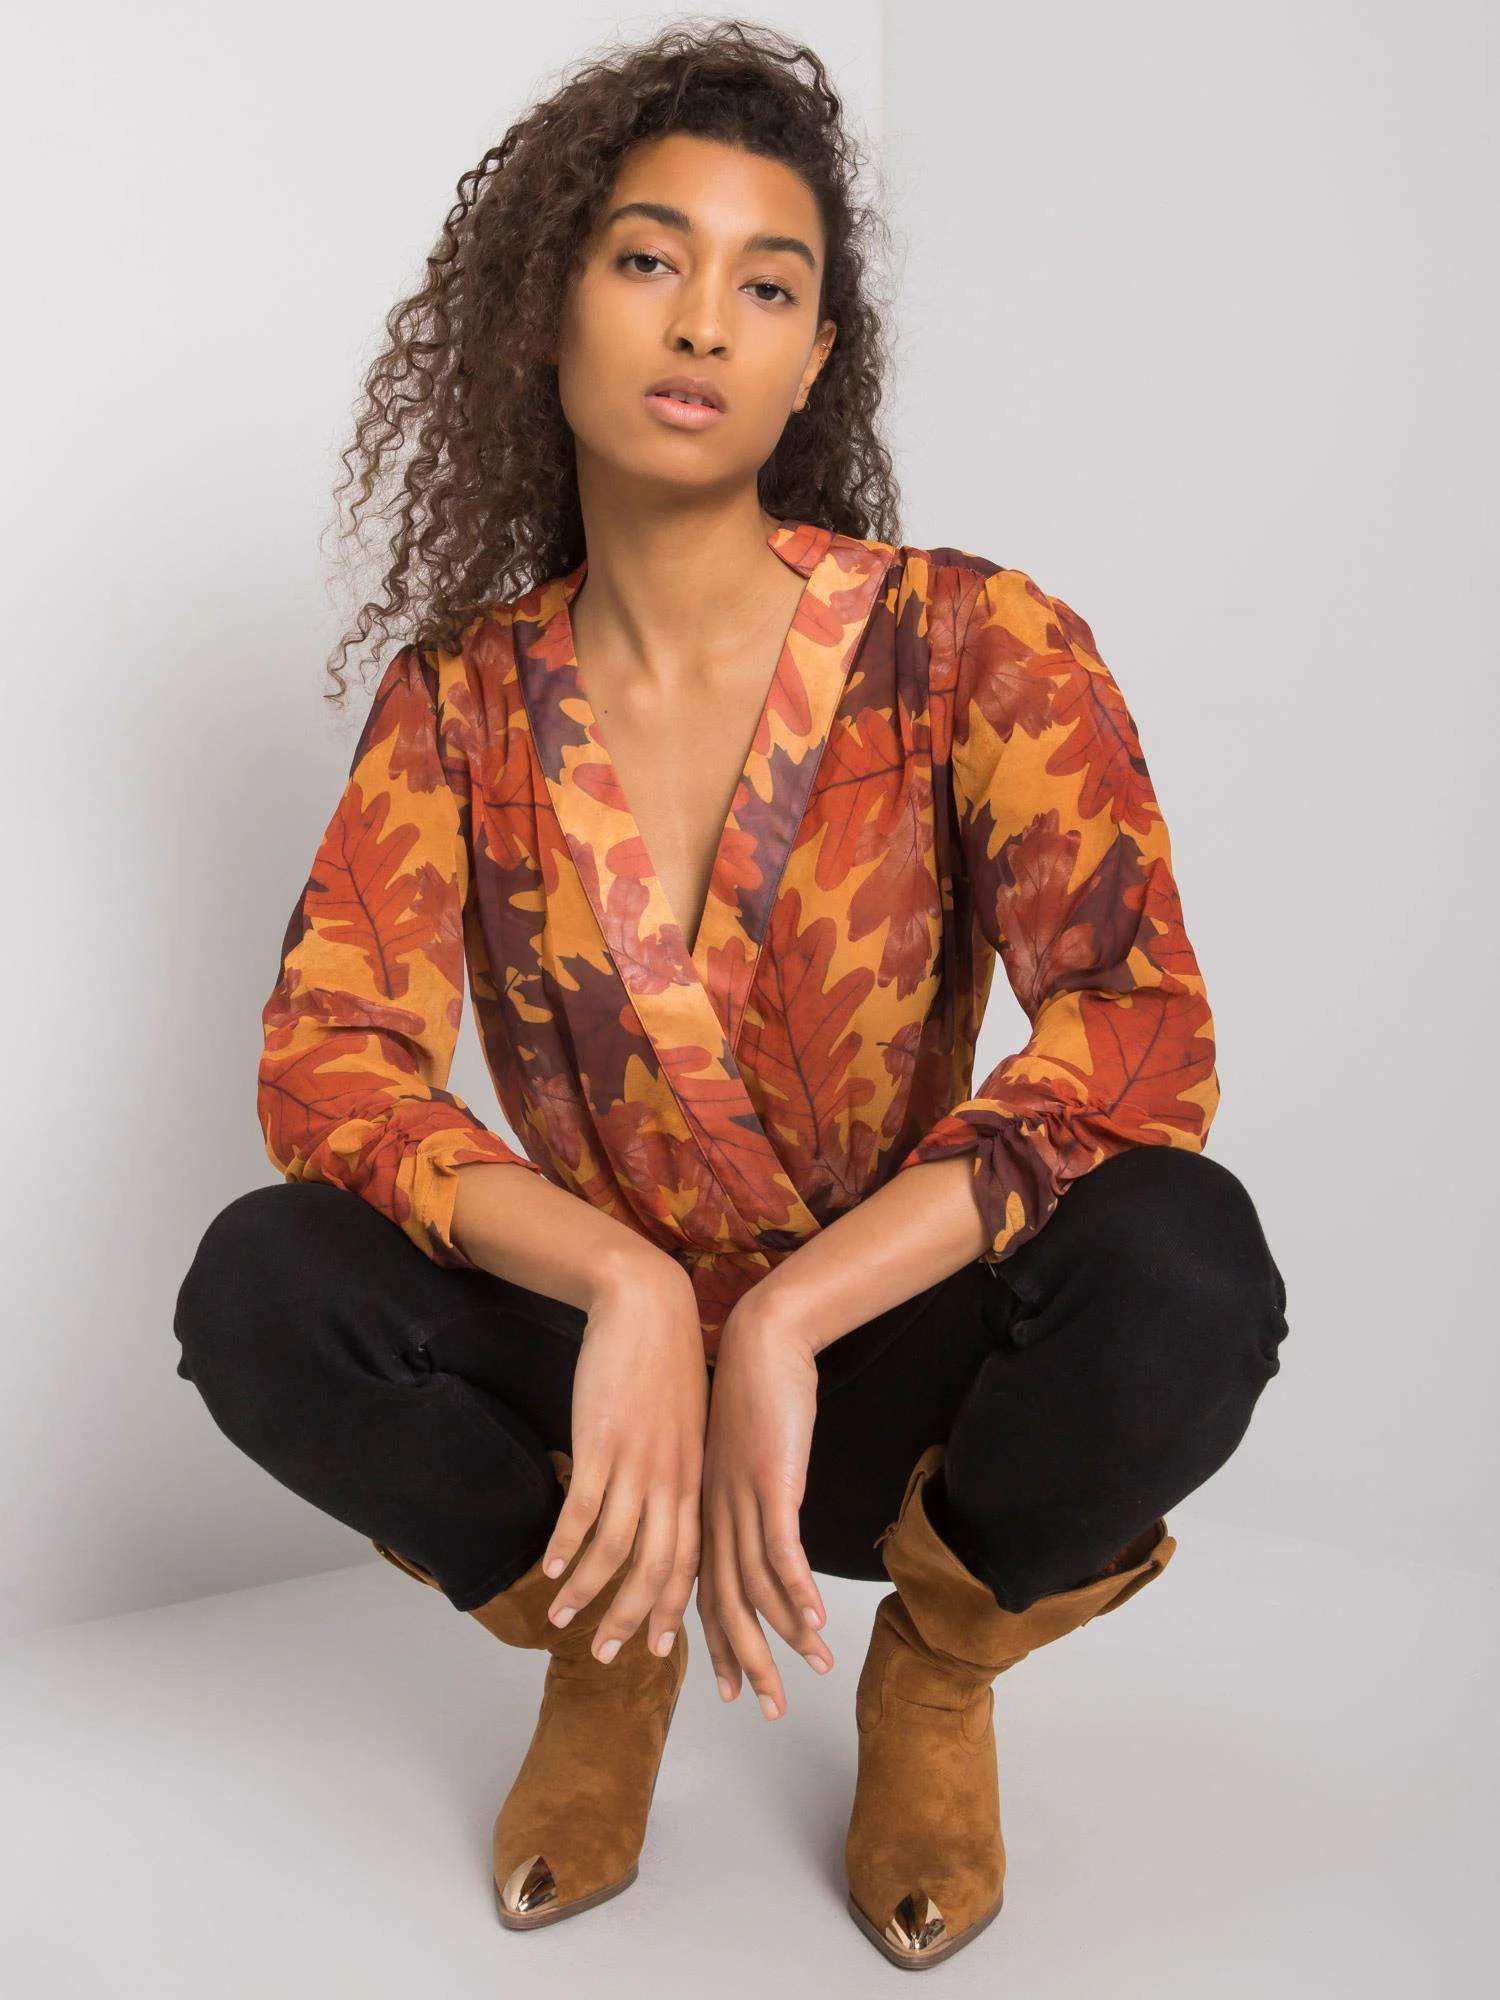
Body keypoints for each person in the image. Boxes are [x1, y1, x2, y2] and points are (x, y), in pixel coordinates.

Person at [172, 17, 1289, 1971]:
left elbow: (1136, 1032)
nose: (703, 320)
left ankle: (936, 1671)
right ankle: (607, 1639)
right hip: (607, 1418)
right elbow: (332, 1066)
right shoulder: (459, 705)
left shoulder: (974, 645)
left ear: (813, 356)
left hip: (877, 1382)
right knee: (263, 1285)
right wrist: (622, 1288)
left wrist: (783, 1318)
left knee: (1186, 1262)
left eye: (767, 284)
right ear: (550, 311)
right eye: (646, 259)